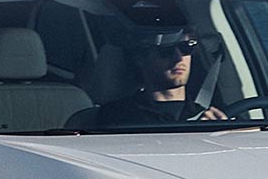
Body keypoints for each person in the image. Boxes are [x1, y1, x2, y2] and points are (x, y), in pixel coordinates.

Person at [91, 28, 230, 126]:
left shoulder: (213, 113)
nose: (179, 58)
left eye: (186, 48)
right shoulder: (118, 116)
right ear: (141, 58)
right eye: (167, 50)